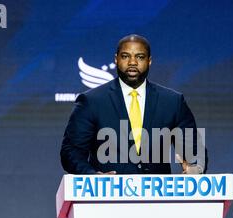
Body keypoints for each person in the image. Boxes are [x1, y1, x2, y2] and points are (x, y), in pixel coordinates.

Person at [60, 34, 207, 175]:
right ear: (116, 59)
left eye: (140, 57)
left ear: (149, 61)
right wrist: (93, 176)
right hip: (107, 197)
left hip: (157, 198)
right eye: (125, 56)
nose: (132, 62)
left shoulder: (173, 102)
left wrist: (195, 168)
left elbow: (194, 150)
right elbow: (71, 152)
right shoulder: (91, 101)